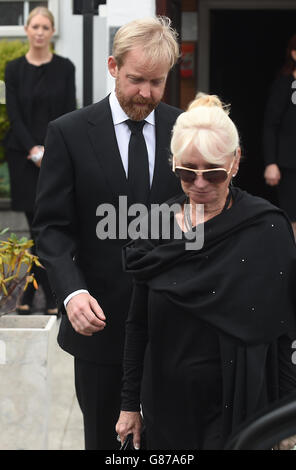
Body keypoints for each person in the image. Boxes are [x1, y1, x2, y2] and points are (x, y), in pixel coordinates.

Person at [116, 94, 296, 450]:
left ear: (234, 163)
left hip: (240, 401)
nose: (199, 184)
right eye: (187, 172)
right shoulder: (154, 225)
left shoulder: (266, 228)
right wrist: (129, 404)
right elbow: (137, 323)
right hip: (167, 405)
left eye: (213, 173)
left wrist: (289, 414)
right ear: (172, 164)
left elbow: (287, 328)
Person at [33, 17, 182, 449]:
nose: (146, 94)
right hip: (99, 330)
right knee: (105, 443)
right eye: (136, 79)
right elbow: (52, 229)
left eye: (157, 83)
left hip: (174, 330)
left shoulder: (184, 130)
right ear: (113, 66)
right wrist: (71, 293)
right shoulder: (69, 133)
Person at [4, 6, 76, 314]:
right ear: (26, 30)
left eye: (45, 27)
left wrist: (48, 149)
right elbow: (15, 116)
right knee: (35, 227)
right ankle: (47, 292)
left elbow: (67, 110)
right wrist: (33, 150)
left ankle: (34, 294)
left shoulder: (65, 67)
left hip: (54, 156)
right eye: (35, 26)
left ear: (52, 31)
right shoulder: (13, 68)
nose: (39, 32)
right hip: (23, 157)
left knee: (46, 224)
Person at [263, 32, 296, 253]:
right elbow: (270, 125)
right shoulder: (284, 85)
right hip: (291, 164)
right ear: (295, 54)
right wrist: (271, 162)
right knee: (295, 222)